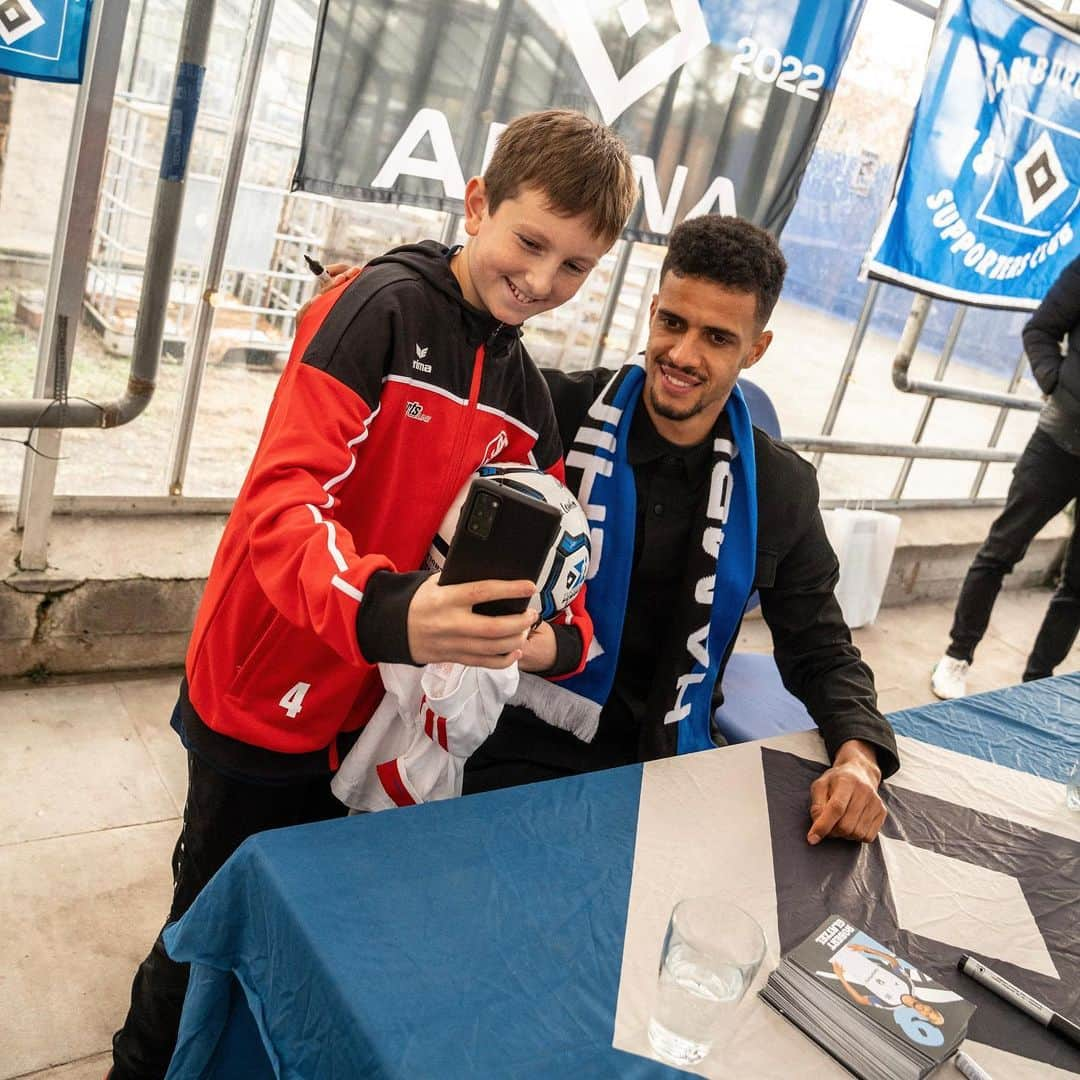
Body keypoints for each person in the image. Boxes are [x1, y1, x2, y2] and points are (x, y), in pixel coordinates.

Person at [108, 109, 637, 1080]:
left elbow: (564, 593)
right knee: (206, 923)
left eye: (575, 266)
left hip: (367, 717)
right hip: (262, 695)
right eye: (530, 242)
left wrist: (538, 645)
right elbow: (279, 506)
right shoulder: (378, 306)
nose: (543, 280)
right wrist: (392, 613)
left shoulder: (524, 396)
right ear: (477, 204)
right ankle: (142, 1065)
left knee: (297, 923)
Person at [463, 214, 899, 843]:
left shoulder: (780, 488)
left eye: (718, 338)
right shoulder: (549, 412)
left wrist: (859, 759)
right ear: (652, 311)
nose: (683, 355)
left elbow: (821, 648)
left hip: (672, 758)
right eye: (673, 322)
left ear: (756, 349)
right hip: (514, 738)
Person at [931, 255, 1080, 699]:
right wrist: (1058, 384)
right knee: (1001, 551)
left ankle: (1037, 682)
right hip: (1058, 442)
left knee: (1079, 585)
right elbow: (1040, 330)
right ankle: (957, 656)